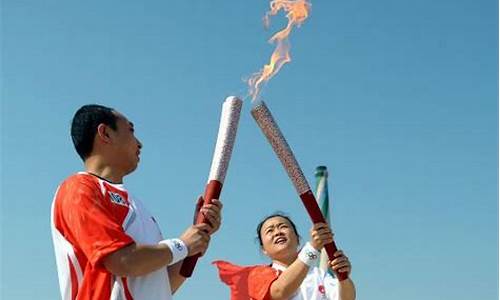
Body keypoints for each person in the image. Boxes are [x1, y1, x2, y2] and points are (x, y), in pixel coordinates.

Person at [51, 104, 222, 299]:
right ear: (105, 133)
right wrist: (182, 245)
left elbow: (160, 286)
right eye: (131, 131)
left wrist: (198, 237)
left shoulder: (138, 207)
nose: (139, 143)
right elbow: (123, 261)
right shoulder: (79, 188)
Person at [214, 213, 356, 300]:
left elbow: (346, 298)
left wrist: (342, 277)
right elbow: (279, 292)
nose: (277, 232)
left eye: (283, 226)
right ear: (264, 249)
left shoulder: (319, 275)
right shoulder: (255, 275)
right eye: (270, 231)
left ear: (298, 239)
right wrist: (313, 248)